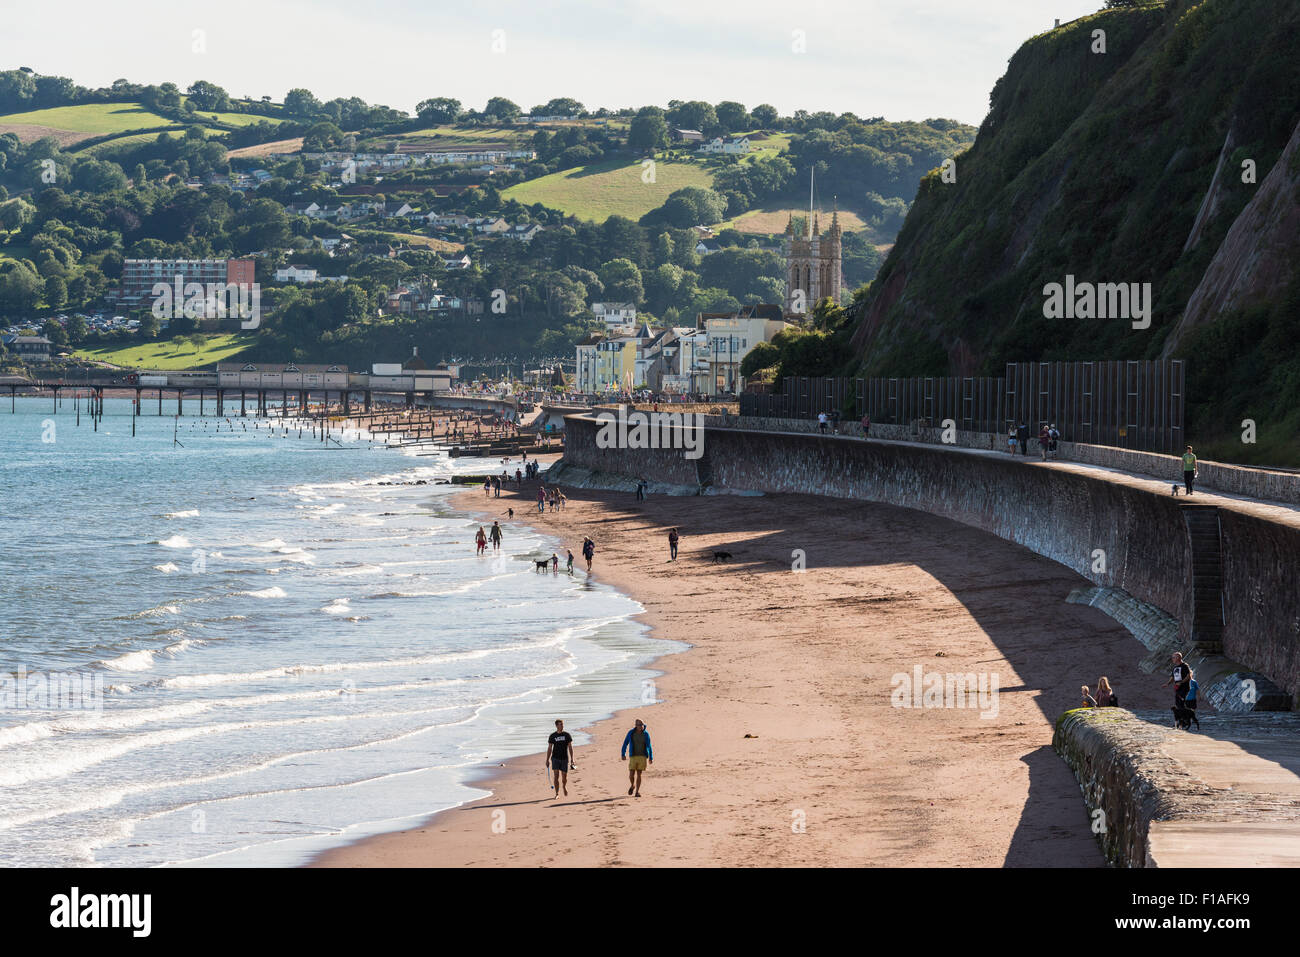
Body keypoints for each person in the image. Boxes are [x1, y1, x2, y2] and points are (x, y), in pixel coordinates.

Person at [620, 718, 653, 797]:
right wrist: (623, 753)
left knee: (639, 774)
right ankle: (632, 785)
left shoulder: (646, 734)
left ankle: (637, 792)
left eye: (642, 724)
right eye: (639, 725)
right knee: (631, 774)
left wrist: (650, 757)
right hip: (633, 756)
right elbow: (625, 743)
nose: (641, 726)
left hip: (642, 756)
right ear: (635, 725)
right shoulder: (631, 733)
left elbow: (649, 746)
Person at [546, 719, 574, 796]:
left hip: (564, 758)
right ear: (556, 726)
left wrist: (572, 759)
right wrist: (547, 759)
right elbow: (549, 748)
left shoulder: (567, 735)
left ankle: (564, 786)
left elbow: (570, 747)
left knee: (564, 778)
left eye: (562, 724)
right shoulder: (552, 736)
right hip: (555, 758)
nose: (562, 726)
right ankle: (557, 793)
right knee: (556, 776)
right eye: (560, 724)